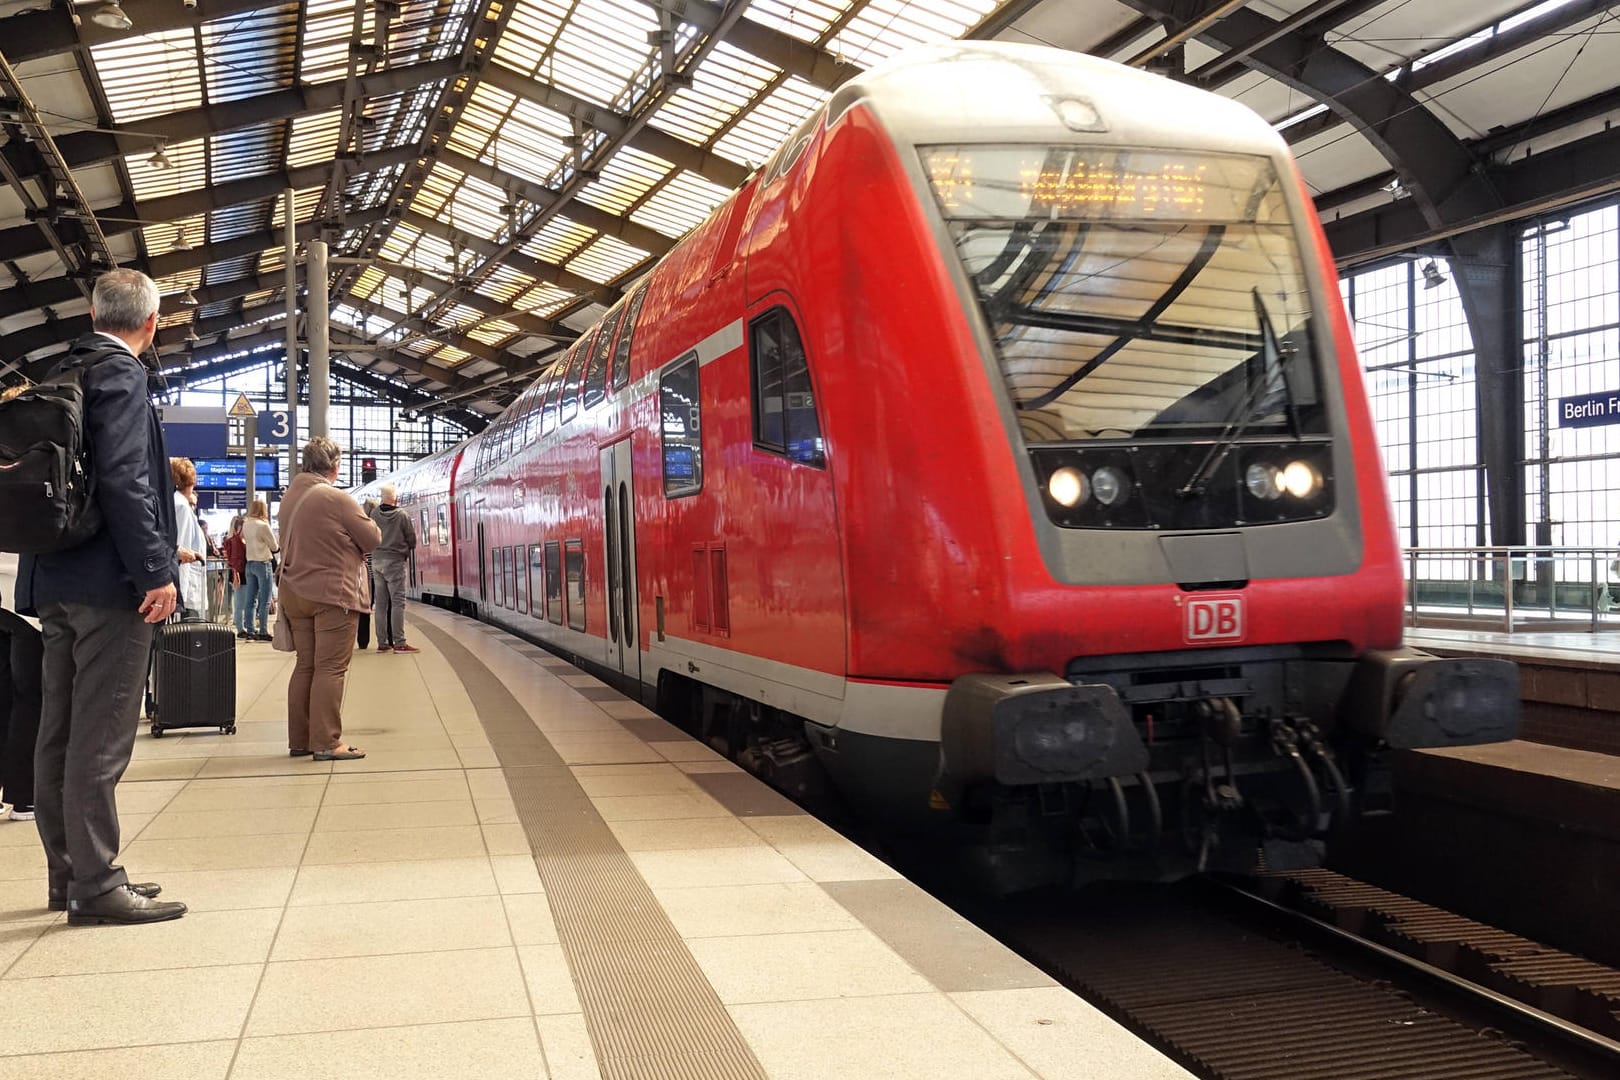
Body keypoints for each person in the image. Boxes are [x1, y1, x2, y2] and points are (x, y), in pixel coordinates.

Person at [14, 268, 186, 925]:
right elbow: (124, 478)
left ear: (91, 316)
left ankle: (70, 875)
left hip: (52, 580)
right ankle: (97, 882)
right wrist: (154, 571)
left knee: (57, 731)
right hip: (109, 586)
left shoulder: (62, 370)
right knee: (100, 737)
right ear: (152, 323)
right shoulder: (121, 375)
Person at [278, 436, 380, 761]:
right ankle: (326, 742)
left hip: (294, 592)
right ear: (335, 467)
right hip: (331, 594)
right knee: (330, 668)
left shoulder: (290, 496)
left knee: (306, 665)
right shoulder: (335, 497)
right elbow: (373, 538)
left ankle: (300, 740)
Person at [368, 485, 419, 654]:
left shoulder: (374, 514)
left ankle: (382, 643)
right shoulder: (401, 515)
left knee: (380, 604)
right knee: (397, 603)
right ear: (395, 499)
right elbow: (411, 538)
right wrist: (406, 548)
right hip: (395, 561)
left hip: (376, 561)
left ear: (382, 498)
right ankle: (399, 643)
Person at [170, 458, 207, 621]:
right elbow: (182, 550)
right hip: (187, 594)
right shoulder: (181, 507)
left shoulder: (178, 502)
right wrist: (180, 598)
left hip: (187, 590)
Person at [240, 498, 278, 641]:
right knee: (265, 600)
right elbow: (274, 546)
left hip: (249, 564)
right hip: (263, 564)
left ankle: (250, 630)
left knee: (250, 600)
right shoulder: (263, 525)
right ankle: (263, 630)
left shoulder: (246, 524)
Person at [222, 515, 249, 637]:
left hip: (238, 572)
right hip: (240, 572)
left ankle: (241, 625)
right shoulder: (236, 541)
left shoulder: (232, 540)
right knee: (240, 602)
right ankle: (241, 627)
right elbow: (236, 559)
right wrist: (237, 573)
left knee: (241, 601)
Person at [357, 500, 377, 650]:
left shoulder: (360, 526)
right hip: (373, 572)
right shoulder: (374, 527)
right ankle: (385, 640)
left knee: (363, 606)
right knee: (371, 606)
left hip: (362, 572)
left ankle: (362, 640)